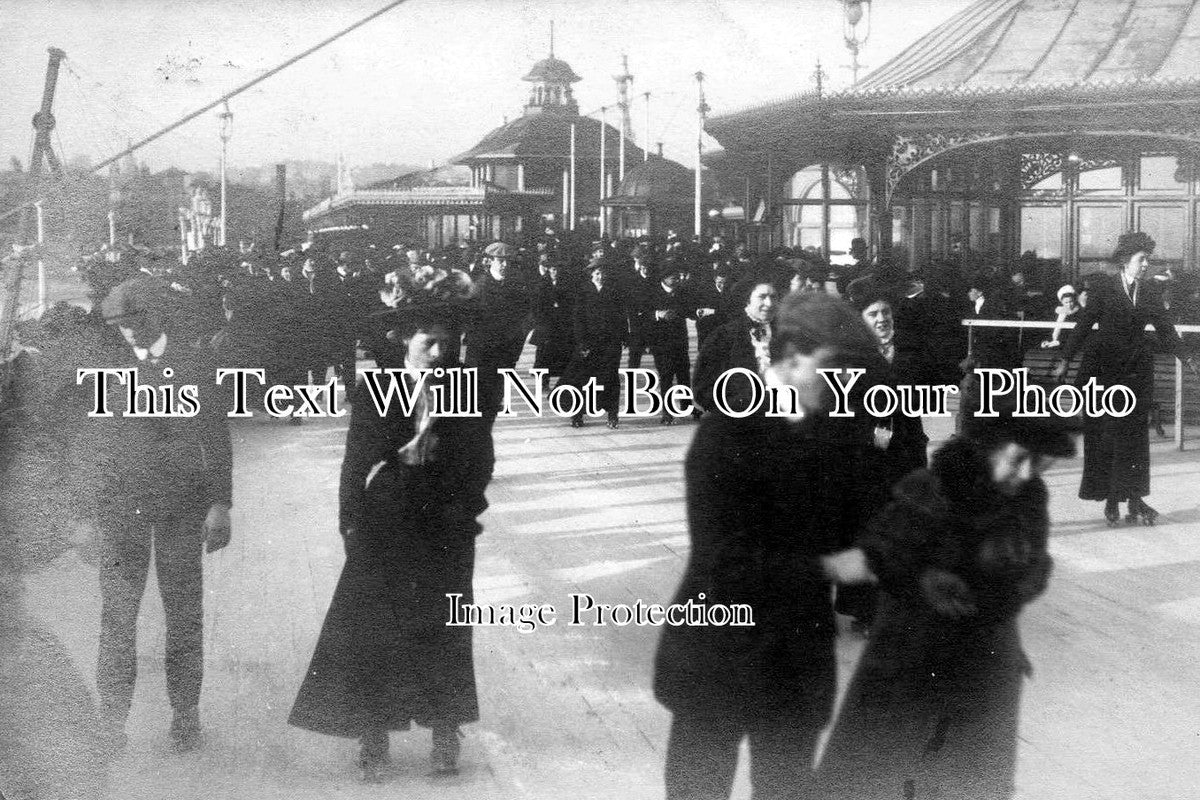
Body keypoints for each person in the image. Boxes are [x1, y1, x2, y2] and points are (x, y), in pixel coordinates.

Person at [654, 292, 882, 800]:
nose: (849, 383)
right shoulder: (727, 432)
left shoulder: (838, 435)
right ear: (795, 358)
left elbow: (866, 527)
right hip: (718, 650)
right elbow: (723, 558)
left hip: (794, 658)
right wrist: (830, 566)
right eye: (838, 369)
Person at [289, 269, 494, 782]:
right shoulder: (374, 388)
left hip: (446, 522)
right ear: (405, 340)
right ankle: (373, 732)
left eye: (449, 344)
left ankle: (446, 729)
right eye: (430, 343)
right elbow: (354, 463)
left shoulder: (471, 391)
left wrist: (467, 508)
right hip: (386, 518)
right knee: (374, 625)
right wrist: (349, 524)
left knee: (445, 624)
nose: (440, 354)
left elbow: (481, 460)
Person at [817, 411, 1076, 800]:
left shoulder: (1029, 497)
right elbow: (880, 552)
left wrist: (1002, 587)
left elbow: (1035, 569)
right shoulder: (928, 488)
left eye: (1040, 466)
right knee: (878, 774)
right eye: (1019, 459)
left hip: (984, 665)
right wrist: (923, 579)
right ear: (985, 447)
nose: (1025, 475)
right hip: (909, 658)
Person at [82, 277, 233, 754]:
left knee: (184, 614)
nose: (127, 335)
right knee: (118, 619)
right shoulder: (107, 370)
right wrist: (85, 515)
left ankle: (185, 715)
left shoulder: (197, 363)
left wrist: (221, 502)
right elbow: (91, 447)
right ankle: (110, 721)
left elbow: (216, 437)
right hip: (121, 511)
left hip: (181, 507)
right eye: (118, 327)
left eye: (133, 324)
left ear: (155, 318)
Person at [1052, 232, 1199, 526]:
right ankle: (1110, 497)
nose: (1146, 264)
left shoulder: (1150, 293)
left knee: (1135, 437)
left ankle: (1134, 498)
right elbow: (1082, 326)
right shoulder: (1104, 288)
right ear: (1124, 260)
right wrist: (1066, 360)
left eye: (1148, 259)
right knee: (1107, 436)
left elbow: (1166, 330)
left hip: (1136, 372)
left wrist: (1187, 357)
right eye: (1141, 259)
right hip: (1105, 372)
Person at [691, 275, 777, 416]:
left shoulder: (787, 336)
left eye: (774, 297)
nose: (769, 303)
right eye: (762, 297)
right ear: (747, 301)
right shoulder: (724, 335)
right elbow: (702, 385)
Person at [559, 260, 627, 428]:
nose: (600, 276)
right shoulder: (583, 291)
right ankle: (577, 414)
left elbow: (621, 316)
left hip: (610, 342)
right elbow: (578, 319)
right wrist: (582, 342)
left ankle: (612, 415)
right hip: (589, 343)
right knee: (582, 378)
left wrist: (624, 336)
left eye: (603, 273)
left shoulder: (614, 291)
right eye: (597, 273)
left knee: (610, 378)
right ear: (591, 274)